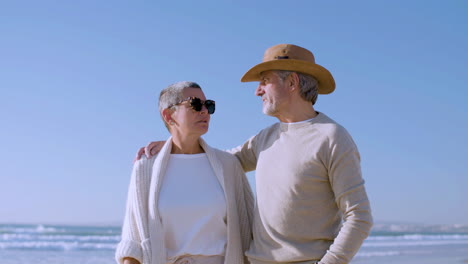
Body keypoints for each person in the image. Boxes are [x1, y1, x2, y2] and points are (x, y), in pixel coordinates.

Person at [137, 44, 373, 264]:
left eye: (265, 81)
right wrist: (176, 142)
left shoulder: (332, 137)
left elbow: (359, 217)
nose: (257, 91)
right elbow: (220, 161)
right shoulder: (266, 138)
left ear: (292, 82)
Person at [116, 81, 253, 264]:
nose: (204, 111)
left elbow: (249, 232)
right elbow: (133, 241)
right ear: (168, 115)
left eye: (208, 105)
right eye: (195, 104)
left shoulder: (228, 166)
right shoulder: (146, 167)